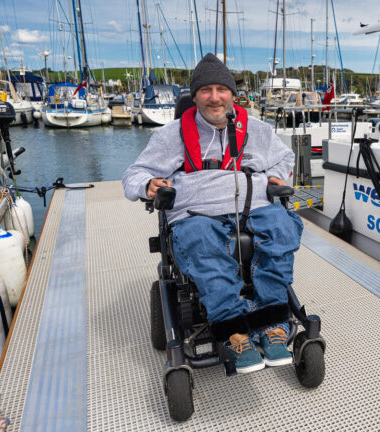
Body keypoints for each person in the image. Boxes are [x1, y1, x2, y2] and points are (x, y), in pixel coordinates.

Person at [123, 53, 302, 374]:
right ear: (194, 96)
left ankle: (273, 323)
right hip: (197, 211)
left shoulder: (258, 130)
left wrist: (277, 175)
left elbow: (285, 158)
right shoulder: (170, 135)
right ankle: (233, 330)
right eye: (206, 90)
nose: (215, 97)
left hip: (255, 203)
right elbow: (134, 174)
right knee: (201, 240)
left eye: (222, 89)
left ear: (233, 95)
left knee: (283, 227)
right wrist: (148, 184)